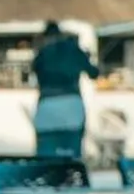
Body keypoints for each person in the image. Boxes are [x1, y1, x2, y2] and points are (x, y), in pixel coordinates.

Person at [30, 21, 99, 157]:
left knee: (45, 158)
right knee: (72, 156)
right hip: (72, 105)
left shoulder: (42, 54)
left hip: (47, 106)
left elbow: (35, 71)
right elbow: (94, 73)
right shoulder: (73, 50)